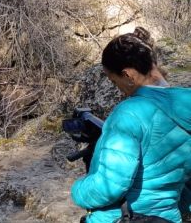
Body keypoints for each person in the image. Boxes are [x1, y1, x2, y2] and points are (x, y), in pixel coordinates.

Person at [71, 27, 191, 223]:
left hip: (124, 217)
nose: (117, 88)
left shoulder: (128, 114)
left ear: (128, 75)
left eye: (114, 80)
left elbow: (108, 188)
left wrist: (78, 189)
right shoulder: (185, 104)